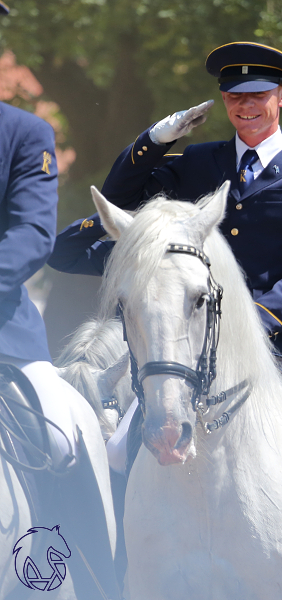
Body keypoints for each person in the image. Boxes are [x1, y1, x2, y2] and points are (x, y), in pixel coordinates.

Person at [48, 41, 282, 572]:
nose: (244, 106)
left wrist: (256, 320)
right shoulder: (197, 163)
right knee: (117, 452)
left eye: (257, 95)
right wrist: (155, 140)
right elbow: (120, 199)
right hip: (190, 355)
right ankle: (114, 570)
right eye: (234, 96)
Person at [0, 3, 119, 597]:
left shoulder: (25, 134)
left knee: (63, 432)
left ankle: (96, 580)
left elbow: (29, 236)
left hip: (5, 339)